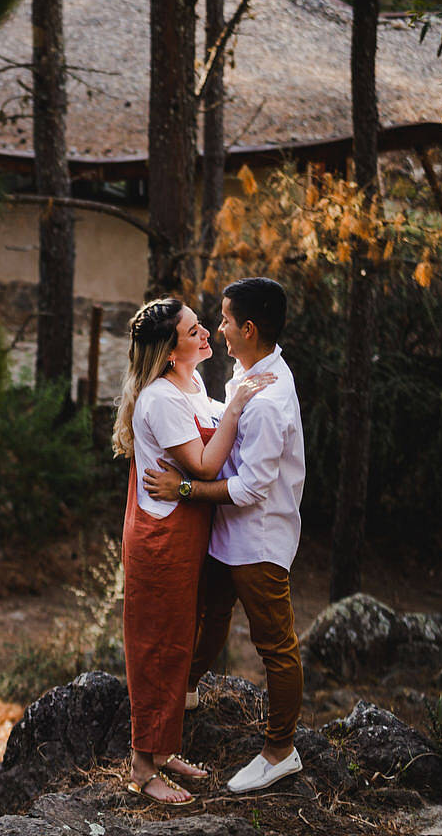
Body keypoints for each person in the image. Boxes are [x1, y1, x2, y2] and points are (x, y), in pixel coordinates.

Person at [144, 277, 306, 794]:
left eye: (227, 319)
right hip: (227, 534)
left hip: (257, 538)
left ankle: (280, 751)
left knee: (276, 646)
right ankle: (186, 690)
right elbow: (221, 419)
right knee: (211, 610)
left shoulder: (268, 399)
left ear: (249, 328)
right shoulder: (250, 374)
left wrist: (184, 487)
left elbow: (250, 490)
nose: (219, 327)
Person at [112, 297, 274, 805]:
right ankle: (142, 766)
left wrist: (233, 403)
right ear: (168, 351)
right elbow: (204, 465)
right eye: (192, 331)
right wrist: (242, 401)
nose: (205, 333)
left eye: (202, 326)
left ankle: (164, 750)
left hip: (184, 533)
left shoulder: (193, 382)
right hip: (161, 541)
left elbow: (205, 440)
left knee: (180, 641)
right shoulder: (159, 398)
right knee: (156, 646)